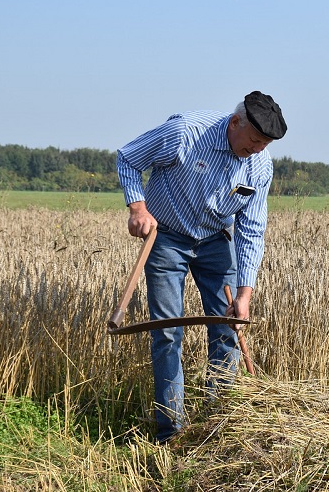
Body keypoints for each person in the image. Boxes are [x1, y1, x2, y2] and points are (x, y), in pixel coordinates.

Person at [116, 91, 287, 443]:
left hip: (214, 241)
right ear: (235, 122)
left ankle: (219, 425)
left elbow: (252, 229)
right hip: (166, 239)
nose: (256, 150)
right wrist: (137, 207)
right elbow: (128, 158)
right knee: (167, 331)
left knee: (227, 327)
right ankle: (171, 432)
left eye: (264, 145)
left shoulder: (260, 165)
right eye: (254, 141)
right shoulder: (185, 133)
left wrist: (244, 294)